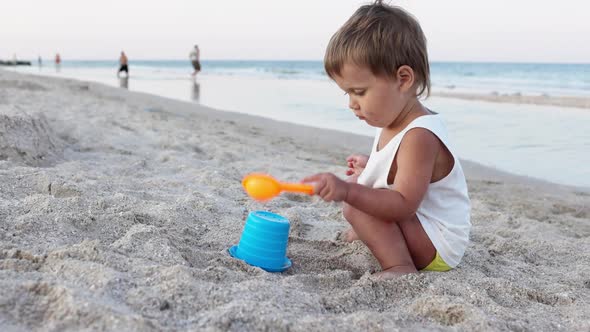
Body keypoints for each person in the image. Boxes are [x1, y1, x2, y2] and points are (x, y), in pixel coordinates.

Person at [302, 0, 471, 279]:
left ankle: (399, 266)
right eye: (348, 94)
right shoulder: (393, 119)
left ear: (403, 79)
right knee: (363, 184)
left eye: (359, 91)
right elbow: (404, 171)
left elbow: (403, 203)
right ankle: (378, 235)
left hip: (439, 244)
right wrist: (372, 166)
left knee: (356, 199)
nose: (352, 104)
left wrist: (346, 191)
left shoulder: (420, 135)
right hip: (422, 228)